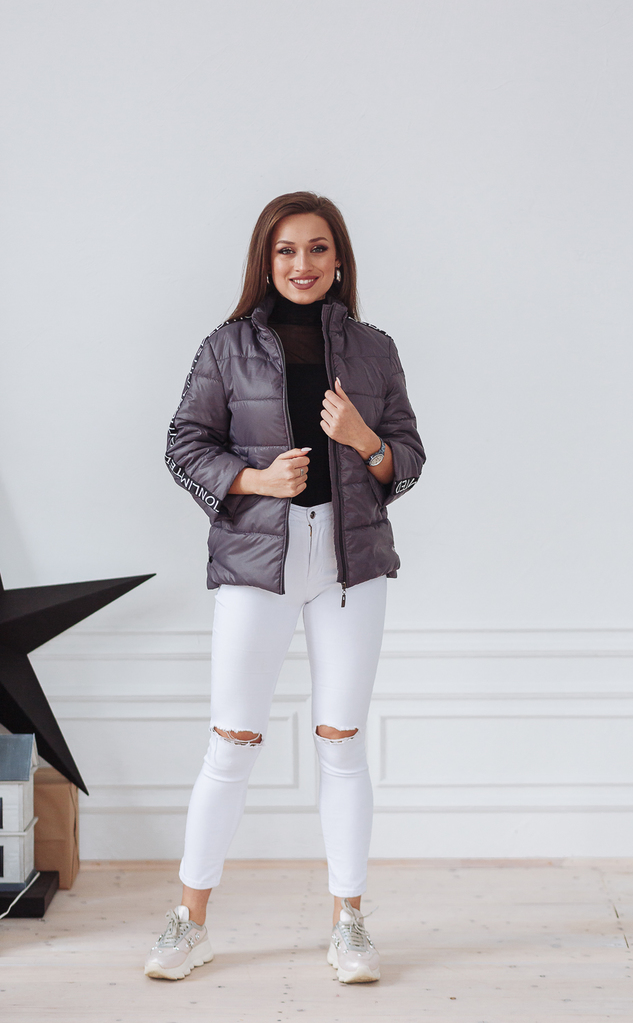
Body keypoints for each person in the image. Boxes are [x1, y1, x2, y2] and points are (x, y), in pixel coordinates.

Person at [145, 192, 425, 984]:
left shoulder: (373, 349)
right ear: (265, 262)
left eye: (318, 248)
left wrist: (365, 441)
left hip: (350, 563)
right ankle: (190, 922)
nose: (303, 264)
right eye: (287, 250)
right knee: (231, 742)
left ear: (339, 260)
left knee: (343, 744)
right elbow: (184, 444)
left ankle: (350, 924)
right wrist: (256, 479)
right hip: (256, 562)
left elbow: (407, 457)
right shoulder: (227, 346)